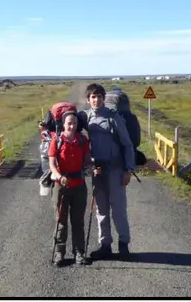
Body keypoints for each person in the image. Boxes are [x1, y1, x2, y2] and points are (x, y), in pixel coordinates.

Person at [77, 83, 135, 260]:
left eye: (99, 96)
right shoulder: (85, 117)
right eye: (93, 97)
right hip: (98, 172)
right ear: (88, 100)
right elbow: (68, 123)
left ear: (103, 99)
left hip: (116, 171)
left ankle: (123, 245)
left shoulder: (113, 117)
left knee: (118, 210)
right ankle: (105, 245)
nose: (96, 100)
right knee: (101, 210)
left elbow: (127, 144)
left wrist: (128, 170)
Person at [48, 111, 91, 266]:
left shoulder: (83, 140)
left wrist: (92, 168)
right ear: (63, 124)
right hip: (61, 186)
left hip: (79, 185)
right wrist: (59, 177)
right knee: (61, 221)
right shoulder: (57, 140)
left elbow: (87, 162)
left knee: (78, 221)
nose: (72, 126)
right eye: (69, 123)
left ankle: (79, 253)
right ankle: (59, 253)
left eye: (74, 123)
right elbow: (52, 165)